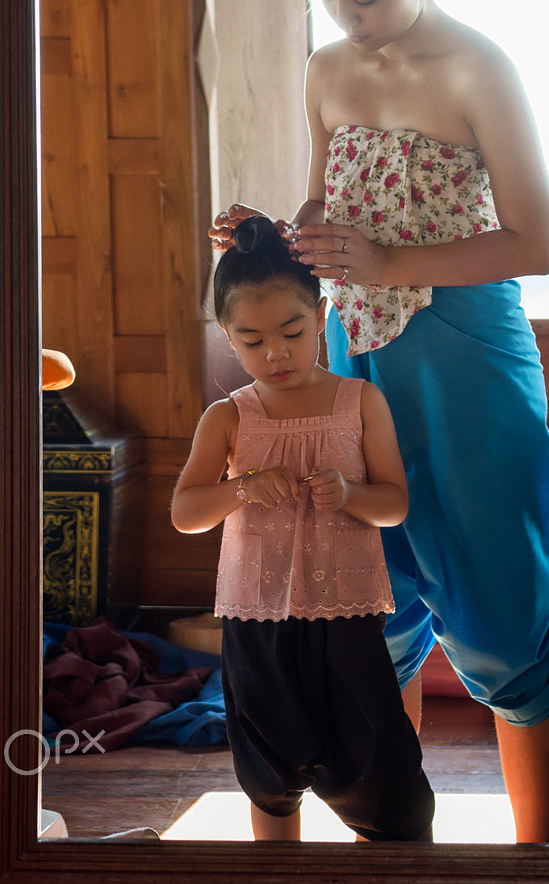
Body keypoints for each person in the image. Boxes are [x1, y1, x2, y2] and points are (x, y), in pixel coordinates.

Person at [212, 0, 549, 845]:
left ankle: (537, 853)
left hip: (464, 352)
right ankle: (395, 840)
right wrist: (268, 235)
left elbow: (537, 244)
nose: (345, 15)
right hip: (351, 349)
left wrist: (392, 261)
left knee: (499, 596)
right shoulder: (326, 68)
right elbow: (331, 210)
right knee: (375, 597)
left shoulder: (478, 69)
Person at [172, 213, 434, 844]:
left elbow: (394, 504)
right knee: (267, 765)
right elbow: (185, 514)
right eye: (252, 341)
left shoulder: (359, 402)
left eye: (291, 332)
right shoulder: (228, 416)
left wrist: (347, 495)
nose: (275, 353)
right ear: (229, 340)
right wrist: (241, 489)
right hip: (255, 618)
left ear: (320, 316)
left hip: (345, 614)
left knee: (378, 765)